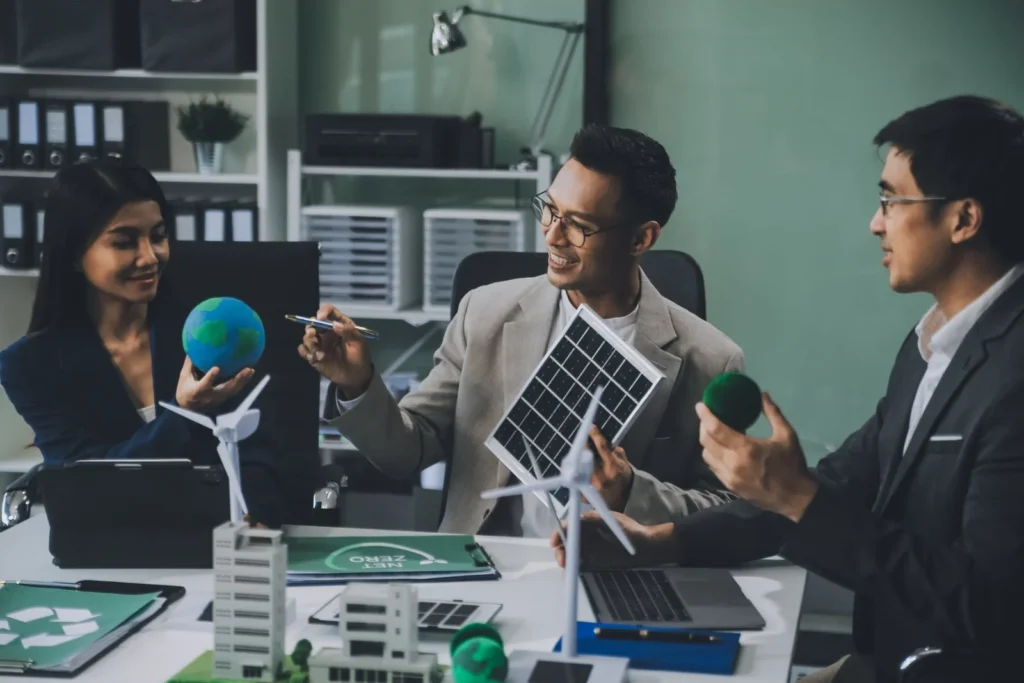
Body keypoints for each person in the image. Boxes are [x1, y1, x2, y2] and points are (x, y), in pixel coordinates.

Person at [551, 95, 1024, 683]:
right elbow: (845, 480)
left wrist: (796, 497)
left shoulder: (1013, 379)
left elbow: (992, 607)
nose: (875, 222)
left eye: (891, 200)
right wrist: (657, 541)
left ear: (963, 219)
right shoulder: (932, 343)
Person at [301, 124, 745, 537]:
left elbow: (726, 510)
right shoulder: (483, 314)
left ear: (640, 239)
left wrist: (631, 491)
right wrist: (357, 384)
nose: (552, 236)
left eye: (579, 226)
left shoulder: (709, 358)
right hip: (488, 563)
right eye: (550, 210)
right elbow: (408, 451)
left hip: (616, 571)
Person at [0, 159, 287, 527]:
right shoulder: (31, 365)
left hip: (217, 539)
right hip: (108, 544)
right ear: (74, 254)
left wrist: (253, 520)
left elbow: (258, 460)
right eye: (124, 242)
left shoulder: (210, 334)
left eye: (158, 236)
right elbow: (85, 482)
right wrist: (183, 414)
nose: (150, 257)